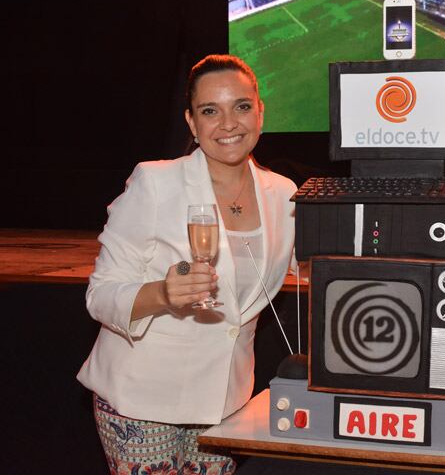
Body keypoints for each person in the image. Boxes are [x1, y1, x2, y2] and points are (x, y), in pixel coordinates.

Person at [77, 54, 296, 474]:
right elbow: (100, 295)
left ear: (261, 113)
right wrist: (161, 293)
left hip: (224, 402)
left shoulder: (283, 194)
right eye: (210, 111)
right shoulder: (155, 182)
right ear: (192, 124)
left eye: (242, 107)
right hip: (141, 400)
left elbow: (310, 268)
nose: (228, 123)